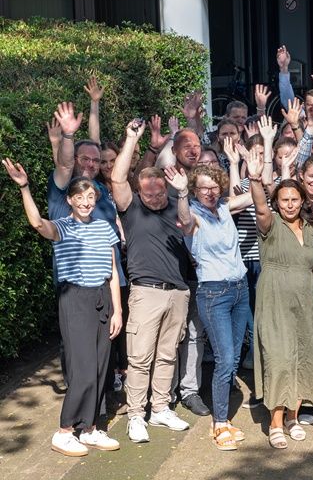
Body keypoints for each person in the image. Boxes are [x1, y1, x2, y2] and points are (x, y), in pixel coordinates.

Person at [5, 159, 123, 457]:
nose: (85, 202)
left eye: (90, 197)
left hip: (102, 297)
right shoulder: (62, 227)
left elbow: (112, 271)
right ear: (69, 200)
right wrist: (24, 187)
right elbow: (37, 223)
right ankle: (65, 431)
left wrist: (118, 311)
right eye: (79, 197)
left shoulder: (104, 227)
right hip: (75, 299)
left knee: (101, 367)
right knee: (83, 369)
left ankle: (90, 428)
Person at [109, 120, 192, 443]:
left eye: (159, 192)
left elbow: (188, 225)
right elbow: (117, 178)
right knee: (140, 357)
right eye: (148, 193)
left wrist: (182, 192)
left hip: (178, 291)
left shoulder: (175, 203)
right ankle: (135, 414)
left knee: (168, 354)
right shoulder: (131, 208)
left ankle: (160, 408)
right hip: (146, 292)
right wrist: (131, 139)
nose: (155, 198)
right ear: (139, 191)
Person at [172, 158, 256, 451]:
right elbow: (184, 222)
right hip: (214, 293)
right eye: (203, 188)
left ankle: (225, 419)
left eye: (213, 187)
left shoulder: (223, 207)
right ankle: (219, 423)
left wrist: (258, 172)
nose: (209, 192)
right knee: (225, 358)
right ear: (195, 190)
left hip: (239, 289)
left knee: (233, 358)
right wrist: (182, 193)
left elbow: (257, 194)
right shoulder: (193, 213)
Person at [246, 156, 313, 449]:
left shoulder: (311, 228)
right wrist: (255, 180)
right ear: (277, 203)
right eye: (284, 200)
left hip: (306, 302)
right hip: (275, 300)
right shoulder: (271, 224)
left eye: (294, 199)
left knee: (302, 357)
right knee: (279, 359)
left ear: (302, 200)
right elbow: (260, 208)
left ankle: (293, 418)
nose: (290, 205)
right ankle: (276, 423)